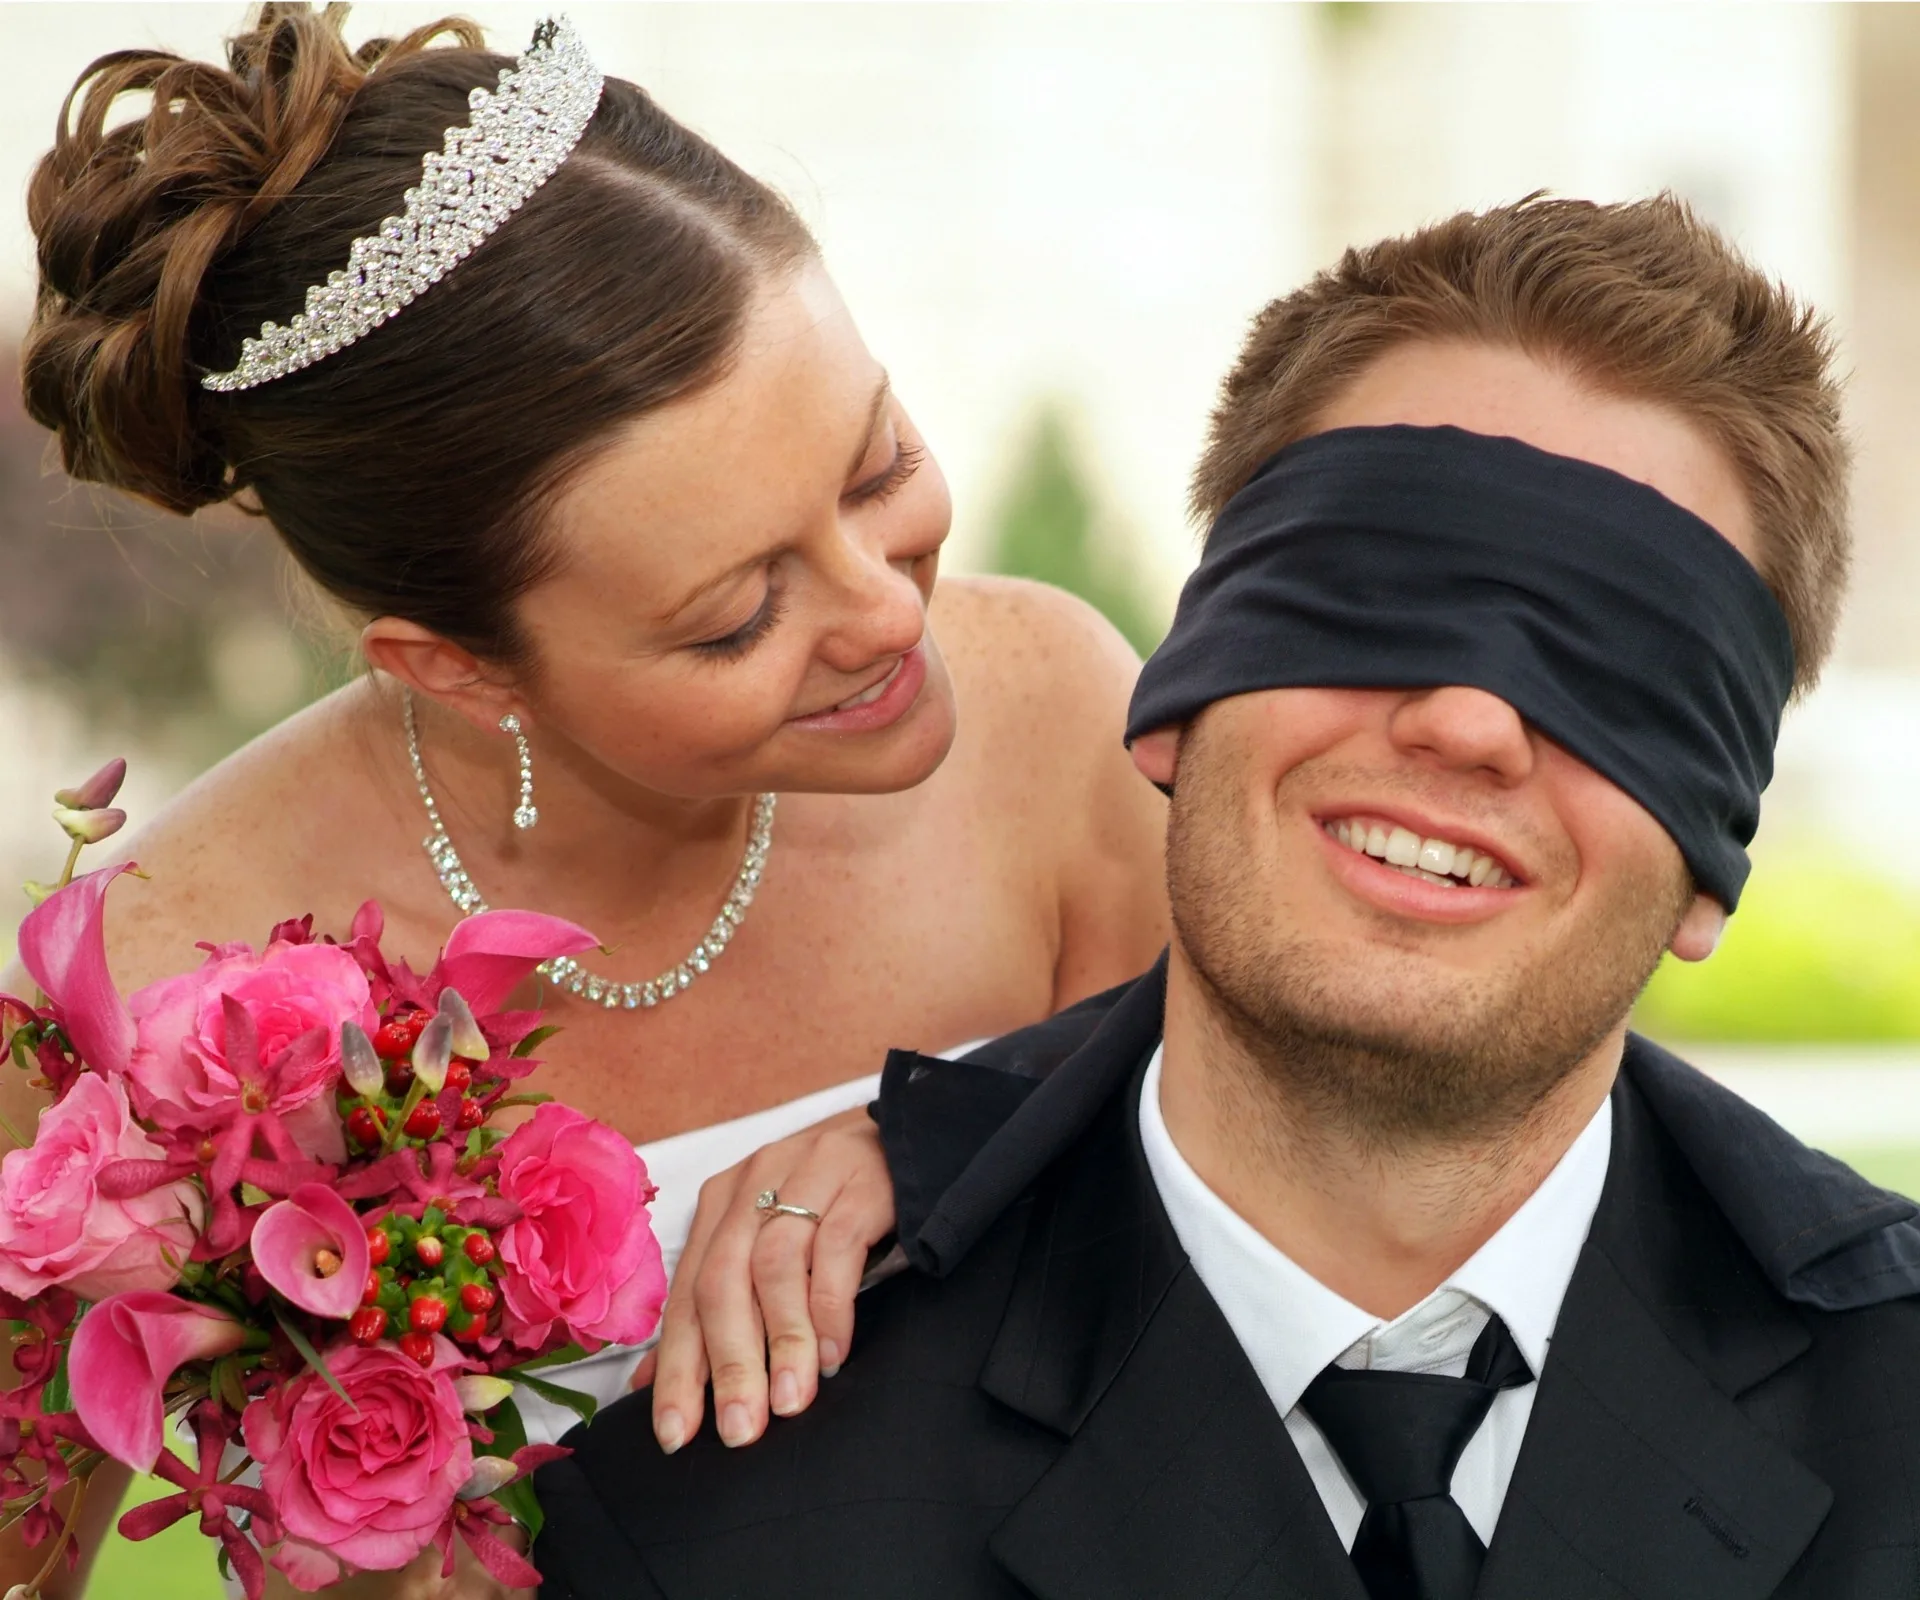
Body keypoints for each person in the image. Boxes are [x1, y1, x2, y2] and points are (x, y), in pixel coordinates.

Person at [534, 194, 1920, 1600]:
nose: (1469, 722)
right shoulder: (719, 1532)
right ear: (1176, 705)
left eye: (1616, 665)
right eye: (1382, 590)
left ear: (1710, 858)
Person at [2, 8, 1167, 1596]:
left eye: (876, 464)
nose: (890, 616)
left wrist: (962, 1124)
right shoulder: (156, 1002)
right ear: (464, 668)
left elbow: (1284, 1226)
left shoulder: (1055, 720)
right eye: (735, 616)